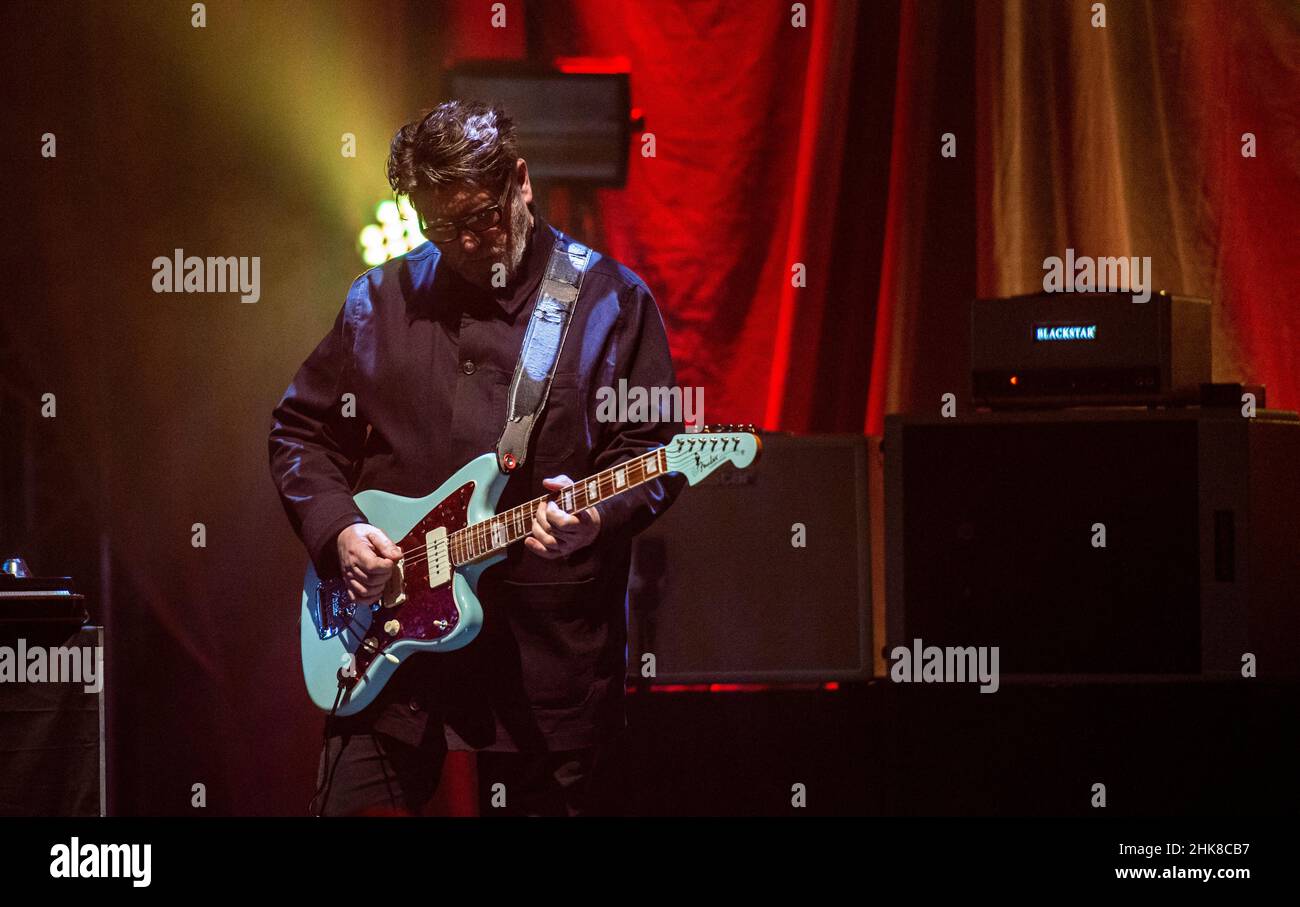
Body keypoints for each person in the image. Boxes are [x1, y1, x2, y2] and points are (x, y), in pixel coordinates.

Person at [268, 100, 686, 816]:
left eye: (480, 217)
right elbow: (300, 433)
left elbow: (655, 451)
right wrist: (338, 530)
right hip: (388, 655)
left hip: (545, 663)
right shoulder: (379, 301)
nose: (465, 242)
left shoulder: (609, 302)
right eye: (440, 226)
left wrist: (596, 514)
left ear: (520, 182)